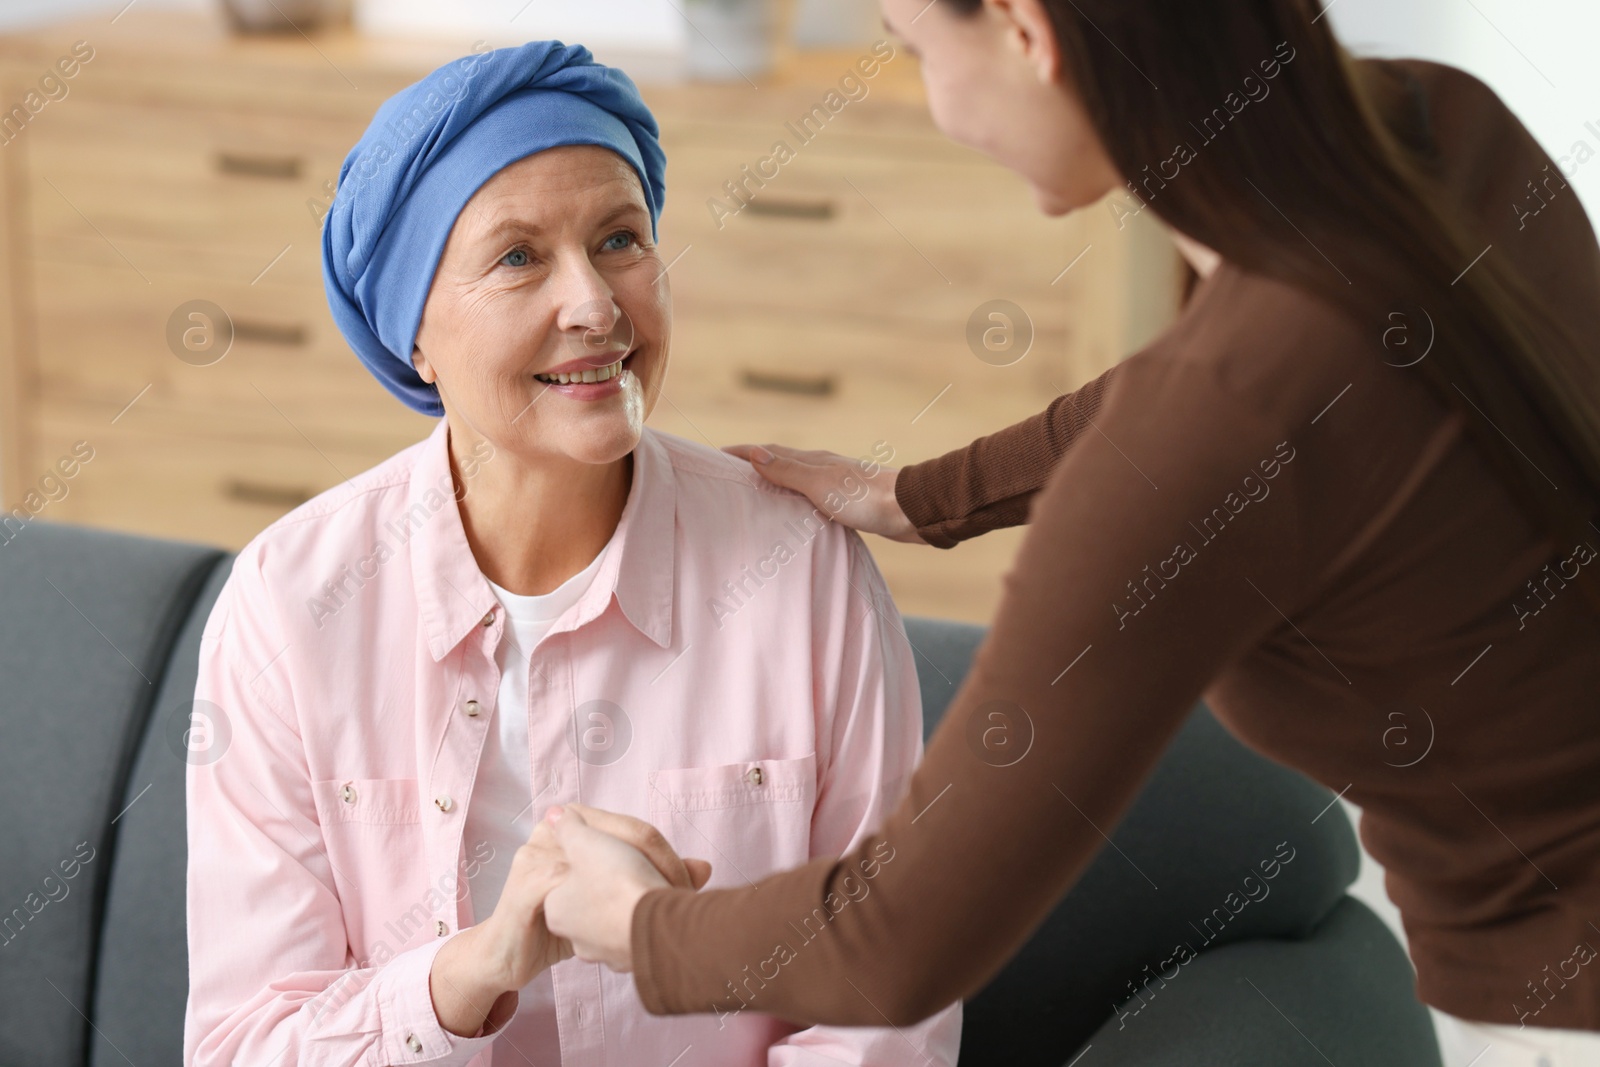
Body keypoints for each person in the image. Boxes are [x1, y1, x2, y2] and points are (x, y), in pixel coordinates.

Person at [528, 2, 1600, 1066]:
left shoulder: (1218, 423)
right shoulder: (1438, 126)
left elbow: (900, 935)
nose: (941, 108)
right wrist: (927, 495)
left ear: (1025, 31)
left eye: (916, 49)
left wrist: (633, 925)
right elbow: (1254, 377)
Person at [181, 40, 960, 1067]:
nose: (595, 303)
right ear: (414, 333)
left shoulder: (803, 574)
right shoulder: (290, 606)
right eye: (517, 256)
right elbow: (245, 1045)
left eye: (620, 239)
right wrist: (475, 970)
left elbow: (879, 1008)